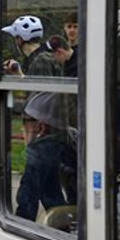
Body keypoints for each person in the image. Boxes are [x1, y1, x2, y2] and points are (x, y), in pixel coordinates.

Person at [15, 92, 77, 222]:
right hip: (58, 124)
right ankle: (63, 224)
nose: (23, 131)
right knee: (50, 186)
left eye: (25, 125)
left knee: (34, 183)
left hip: (46, 117)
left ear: (40, 128)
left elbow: (27, 197)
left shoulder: (41, 147)